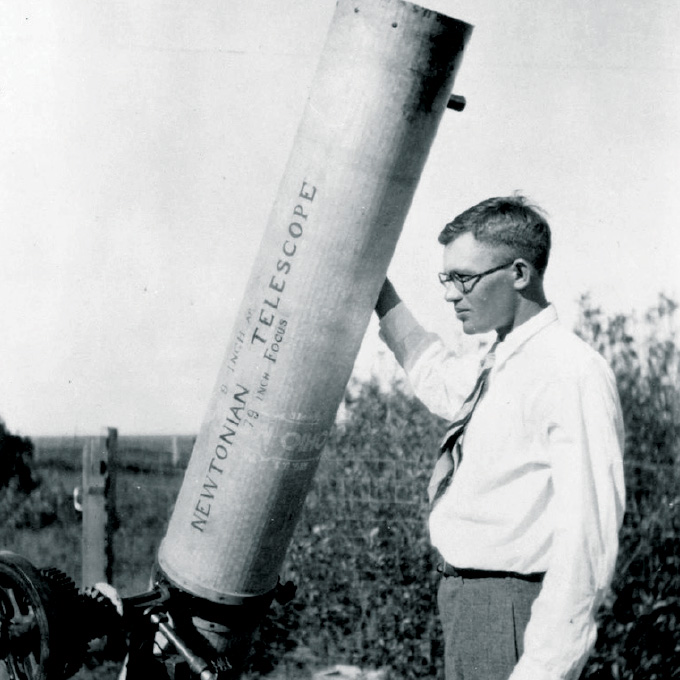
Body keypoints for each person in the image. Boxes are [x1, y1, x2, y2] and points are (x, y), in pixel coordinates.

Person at [374, 195, 625, 680]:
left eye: (464, 278)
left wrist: (545, 668)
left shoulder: (571, 372)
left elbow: (587, 542)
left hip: (513, 614)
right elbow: (443, 381)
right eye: (447, 279)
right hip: (468, 606)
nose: (451, 294)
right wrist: (380, 295)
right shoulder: (501, 358)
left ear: (519, 273)